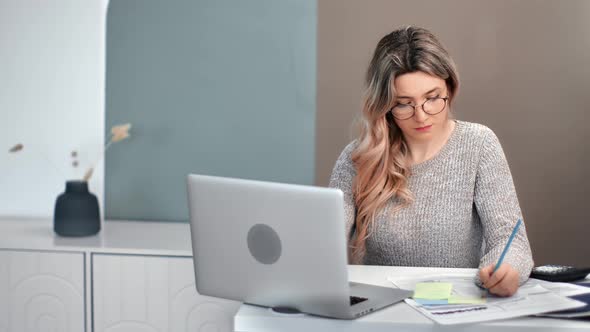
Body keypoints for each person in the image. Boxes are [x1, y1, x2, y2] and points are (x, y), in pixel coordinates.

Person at [328, 26, 534, 297]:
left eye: (432, 98)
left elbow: (512, 241)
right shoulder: (358, 158)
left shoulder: (479, 144)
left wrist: (506, 268)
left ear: (450, 87)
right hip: (382, 310)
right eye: (403, 104)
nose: (421, 116)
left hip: (456, 307)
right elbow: (325, 243)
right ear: (385, 106)